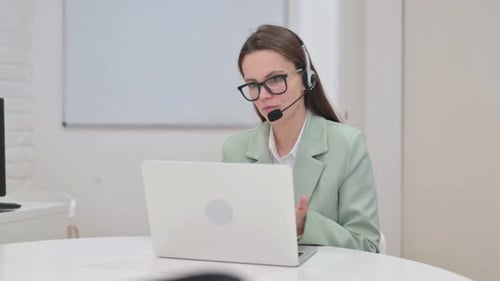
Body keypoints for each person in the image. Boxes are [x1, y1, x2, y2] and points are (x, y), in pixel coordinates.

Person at [222, 24, 380, 252]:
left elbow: (366, 246)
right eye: (252, 85)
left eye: (275, 79)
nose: (264, 95)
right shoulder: (235, 149)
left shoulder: (347, 145)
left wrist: (306, 226)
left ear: (306, 78)